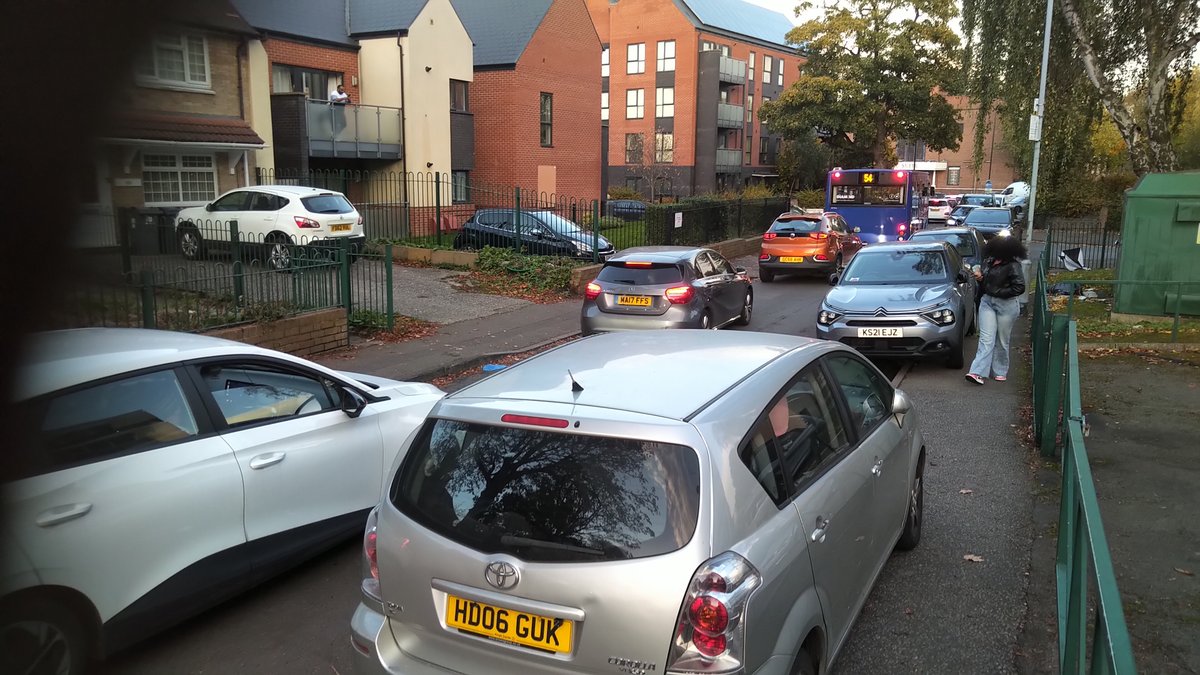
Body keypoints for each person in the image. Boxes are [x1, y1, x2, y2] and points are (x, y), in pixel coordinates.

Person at [966, 235, 1028, 384]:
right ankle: (977, 372)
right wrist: (981, 279)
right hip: (987, 302)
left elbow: (1019, 287)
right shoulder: (989, 262)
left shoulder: (1013, 265)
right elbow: (987, 281)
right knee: (986, 339)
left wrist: (998, 292)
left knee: (1002, 340)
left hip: (1006, 305)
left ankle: (1000, 370)